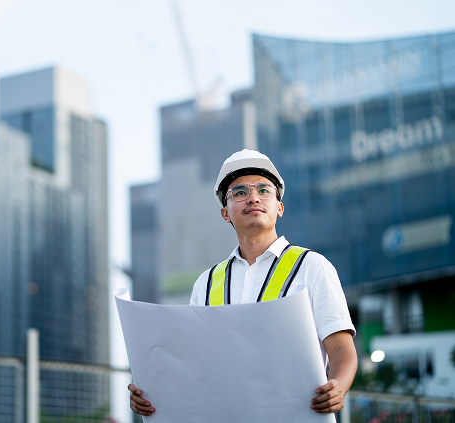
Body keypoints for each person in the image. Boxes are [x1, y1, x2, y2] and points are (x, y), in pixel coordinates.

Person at [129, 149, 357, 416]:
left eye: (263, 190)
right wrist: (153, 393)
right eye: (239, 192)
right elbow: (193, 363)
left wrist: (338, 386)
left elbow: (342, 348)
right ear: (225, 213)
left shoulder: (312, 267)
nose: (253, 198)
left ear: (279, 207)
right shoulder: (207, 283)